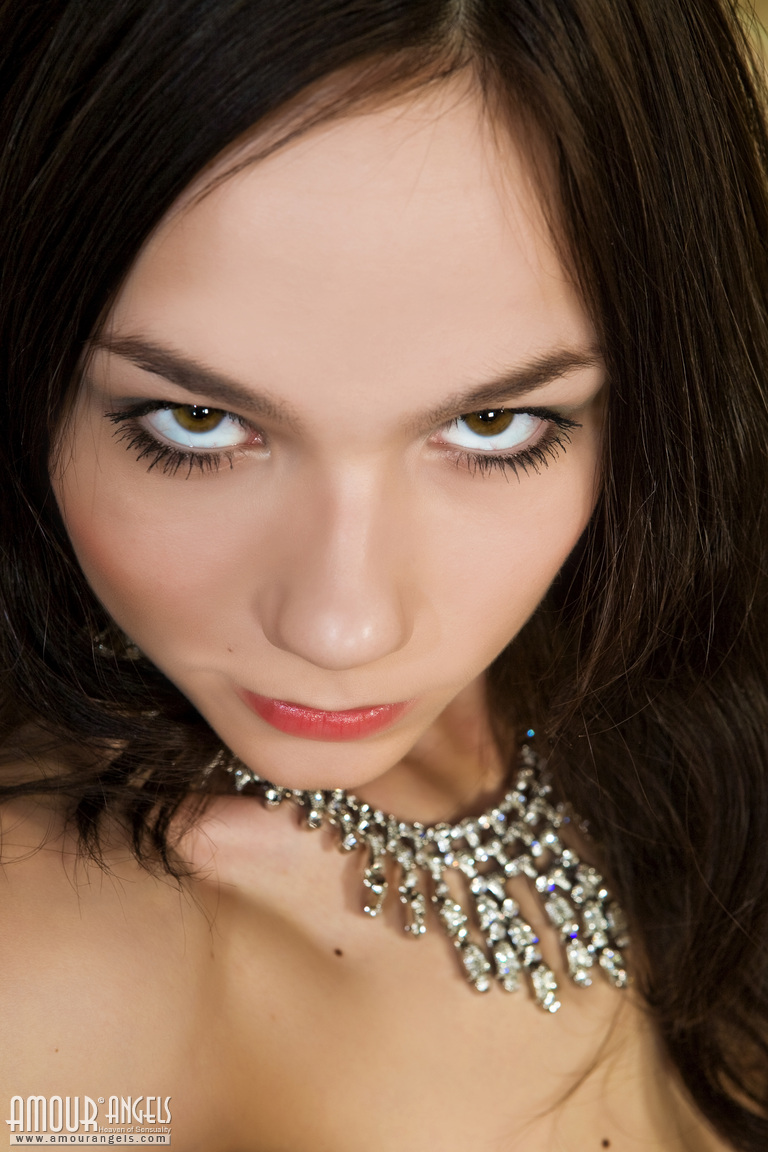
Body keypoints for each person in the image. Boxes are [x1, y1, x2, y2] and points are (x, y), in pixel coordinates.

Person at [0, 0, 766, 1148]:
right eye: (196, 422)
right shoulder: (53, 976)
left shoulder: (679, 722)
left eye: (495, 425)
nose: (342, 627)